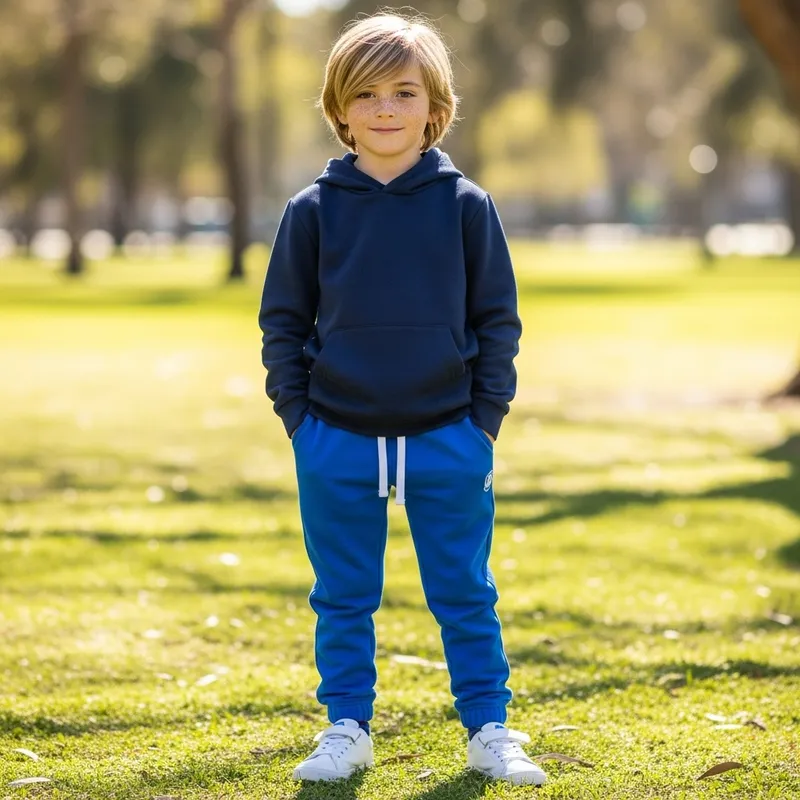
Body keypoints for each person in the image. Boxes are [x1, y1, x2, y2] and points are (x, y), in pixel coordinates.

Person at [258, 11, 545, 787]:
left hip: (448, 435)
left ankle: (490, 728)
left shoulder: (465, 206)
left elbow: (498, 321)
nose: (385, 108)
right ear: (341, 109)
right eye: (368, 94)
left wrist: (481, 425)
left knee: (464, 591)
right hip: (337, 437)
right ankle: (346, 726)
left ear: (434, 107)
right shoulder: (312, 211)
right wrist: (300, 421)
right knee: (342, 595)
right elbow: (283, 321)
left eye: (404, 91)